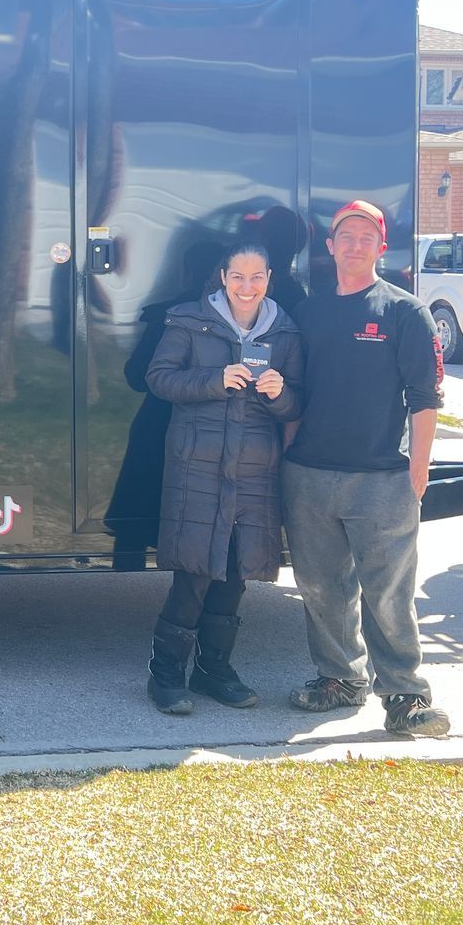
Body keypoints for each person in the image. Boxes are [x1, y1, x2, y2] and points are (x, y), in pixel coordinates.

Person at [282, 199, 449, 737]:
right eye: (344, 236)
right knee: (319, 586)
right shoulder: (307, 312)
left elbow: (425, 399)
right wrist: (289, 458)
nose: (355, 245)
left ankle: (406, 695)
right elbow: (296, 392)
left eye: (365, 236)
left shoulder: (404, 312)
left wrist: (418, 474)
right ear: (328, 247)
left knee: (388, 593)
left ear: (382, 247)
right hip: (308, 474)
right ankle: (340, 679)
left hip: (382, 478)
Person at [141, 243, 304, 715]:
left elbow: (298, 404)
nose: (247, 287)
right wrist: (214, 379)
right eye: (238, 276)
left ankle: (214, 671)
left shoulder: (286, 331)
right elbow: (158, 378)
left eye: (256, 277)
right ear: (223, 277)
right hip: (199, 467)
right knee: (194, 574)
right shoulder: (190, 321)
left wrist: (280, 393)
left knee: (236, 575)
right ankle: (165, 675)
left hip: (254, 473)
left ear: (269, 278)